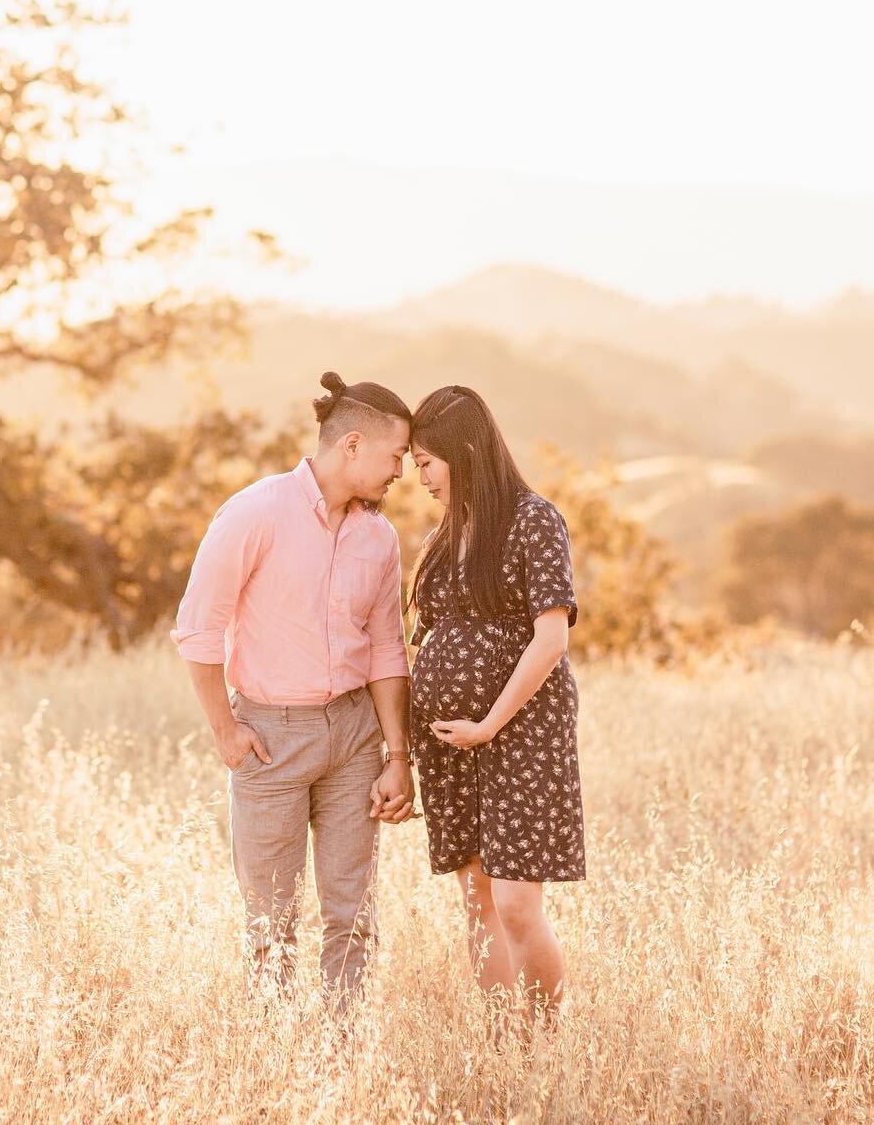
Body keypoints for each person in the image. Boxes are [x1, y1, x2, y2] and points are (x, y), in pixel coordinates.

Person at [174, 371, 419, 1007]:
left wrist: (398, 756)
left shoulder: (379, 536)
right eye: (396, 456)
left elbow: (389, 650)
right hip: (269, 740)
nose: (402, 471)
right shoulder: (255, 512)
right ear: (354, 445)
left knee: (354, 914)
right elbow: (199, 629)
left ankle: (342, 1052)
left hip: (356, 737)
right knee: (270, 924)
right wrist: (226, 733)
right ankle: (278, 1061)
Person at [406, 384, 585, 1025]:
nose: (418, 476)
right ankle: (501, 1049)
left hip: (521, 732)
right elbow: (423, 638)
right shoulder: (444, 535)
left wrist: (489, 723)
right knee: (475, 895)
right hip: (450, 741)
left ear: (468, 450)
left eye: (427, 461)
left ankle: (542, 1044)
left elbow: (551, 636)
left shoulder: (534, 519)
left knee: (514, 902)